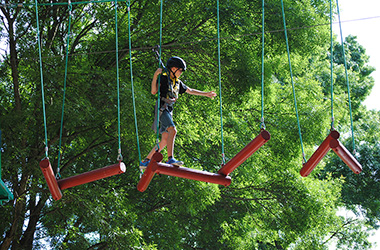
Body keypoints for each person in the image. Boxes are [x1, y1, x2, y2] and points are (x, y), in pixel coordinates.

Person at [140, 56, 216, 167]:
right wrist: (156, 75)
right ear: (174, 68)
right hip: (162, 107)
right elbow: (153, 91)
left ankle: (146, 161)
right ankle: (170, 158)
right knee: (173, 130)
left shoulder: (177, 83)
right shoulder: (164, 79)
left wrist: (206, 94)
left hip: (169, 110)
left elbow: (190, 90)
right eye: (180, 70)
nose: (181, 73)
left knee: (165, 140)